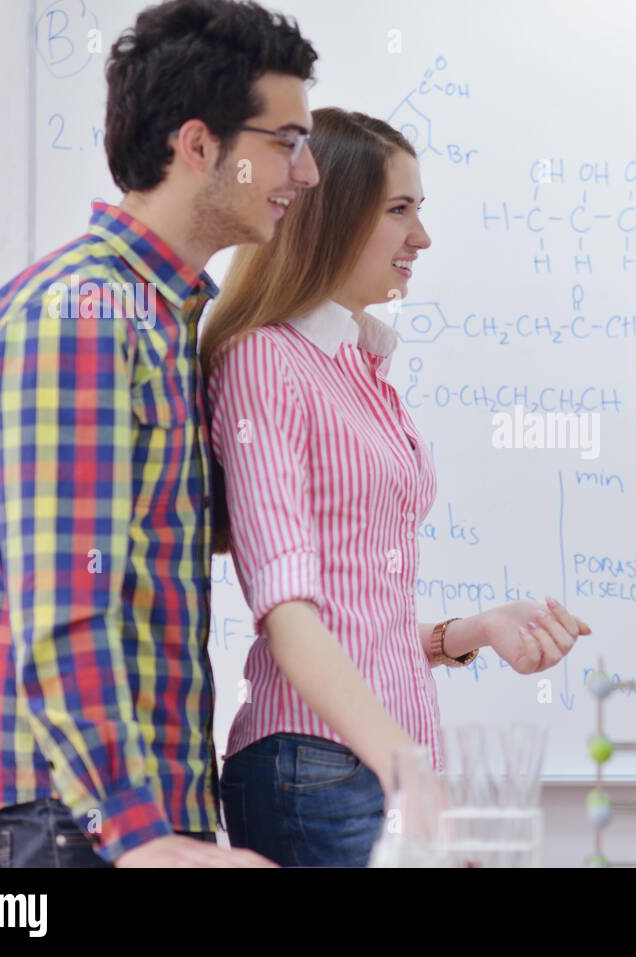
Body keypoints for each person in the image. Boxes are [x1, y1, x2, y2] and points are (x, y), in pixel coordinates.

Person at [0, 0, 320, 867]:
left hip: (122, 809)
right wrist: (142, 836)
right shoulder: (84, 314)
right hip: (75, 819)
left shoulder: (163, 319)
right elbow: (65, 602)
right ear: (198, 146)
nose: (302, 174)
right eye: (285, 141)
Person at [200, 107, 590, 867]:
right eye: (399, 210)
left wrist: (465, 633)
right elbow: (286, 612)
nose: (423, 237)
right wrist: (411, 776)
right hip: (313, 769)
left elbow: (355, 624)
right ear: (330, 216)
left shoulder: (357, 365)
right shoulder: (263, 361)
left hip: (367, 763)